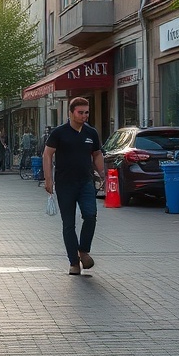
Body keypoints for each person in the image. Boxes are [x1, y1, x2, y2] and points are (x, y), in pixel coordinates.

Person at [42, 98, 105, 275]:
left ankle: (83, 251)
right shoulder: (59, 133)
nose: (84, 116)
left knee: (90, 216)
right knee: (69, 224)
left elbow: (97, 154)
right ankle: (74, 262)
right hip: (65, 184)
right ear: (71, 113)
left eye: (87, 112)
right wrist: (48, 179)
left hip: (86, 182)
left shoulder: (91, 133)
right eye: (80, 112)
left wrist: (102, 174)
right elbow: (47, 154)